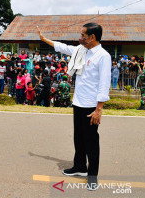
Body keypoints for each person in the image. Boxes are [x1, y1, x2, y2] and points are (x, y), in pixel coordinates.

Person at [37, 22, 111, 191]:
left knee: (91, 141)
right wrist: (43, 39)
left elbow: (104, 84)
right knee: (78, 138)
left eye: (83, 35)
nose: (80, 38)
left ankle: (92, 176)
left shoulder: (103, 56)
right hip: (78, 102)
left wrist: (98, 109)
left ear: (92, 37)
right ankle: (80, 167)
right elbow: (62, 47)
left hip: (91, 106)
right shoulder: (80, 50)